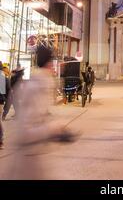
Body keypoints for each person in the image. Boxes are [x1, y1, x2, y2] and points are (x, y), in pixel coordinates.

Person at [10, 45, 78, 179]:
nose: (54, 68)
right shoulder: (36, 87)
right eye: (52, 63)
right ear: (48, 64)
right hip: (29, 161)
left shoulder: (41, 85)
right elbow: (25, 132)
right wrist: (53, 129)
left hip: (35, 155)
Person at [0, 62, 10, 149]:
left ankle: (1, 140)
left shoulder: (2, 77)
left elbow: (5, 91)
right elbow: (7, 92)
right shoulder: (4, 77)